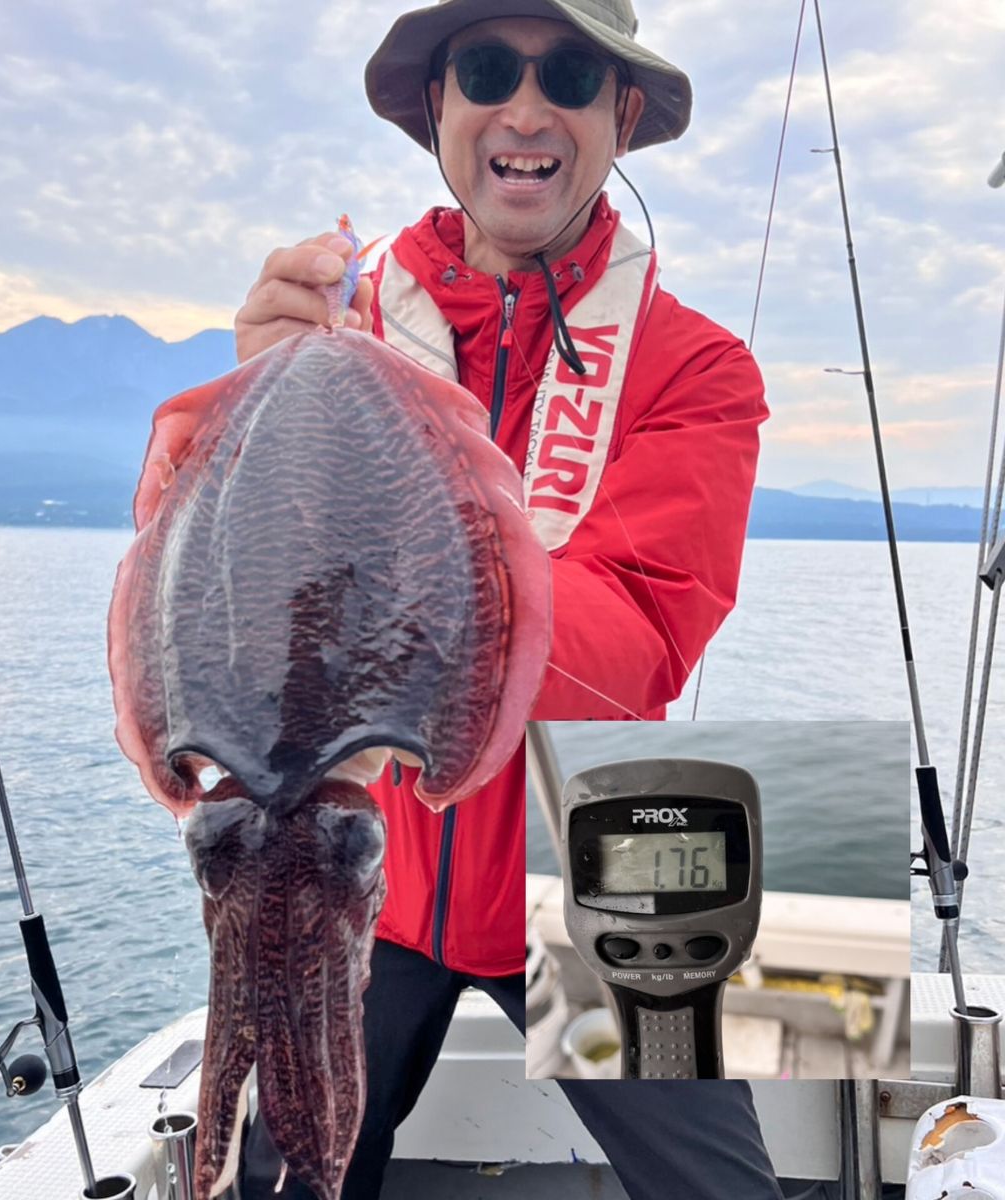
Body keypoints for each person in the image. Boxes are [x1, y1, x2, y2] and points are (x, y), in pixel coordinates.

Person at [236, 1, 780, 1197]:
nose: (525, 111)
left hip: (605, 847)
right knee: (283, 1178)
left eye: (570, 74)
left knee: (727, 1187)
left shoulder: (699, 370)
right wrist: (250, 429)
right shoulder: (336, 332)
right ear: (439, 104)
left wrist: (401, 558)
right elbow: (239, 617)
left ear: (620, 114)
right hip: (360, 862)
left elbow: (638, 637)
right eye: (487, 69)